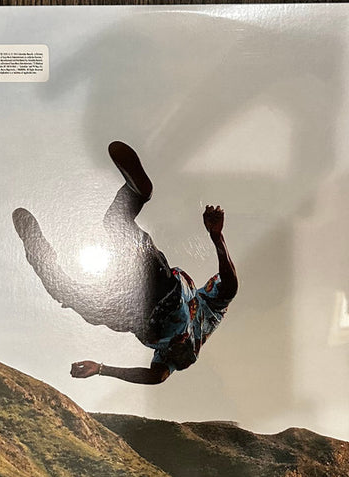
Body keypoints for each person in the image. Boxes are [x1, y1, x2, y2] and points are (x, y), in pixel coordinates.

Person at [13, 141, 238, 385]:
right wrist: (217, 237)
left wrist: (101, 369)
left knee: (112, 228)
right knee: (69, 290)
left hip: (139, 305)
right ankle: (40, 254)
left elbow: (155, 376)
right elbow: (230, 286)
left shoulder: (191, 330)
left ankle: (136, 194)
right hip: (155, 299)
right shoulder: (208, 313)